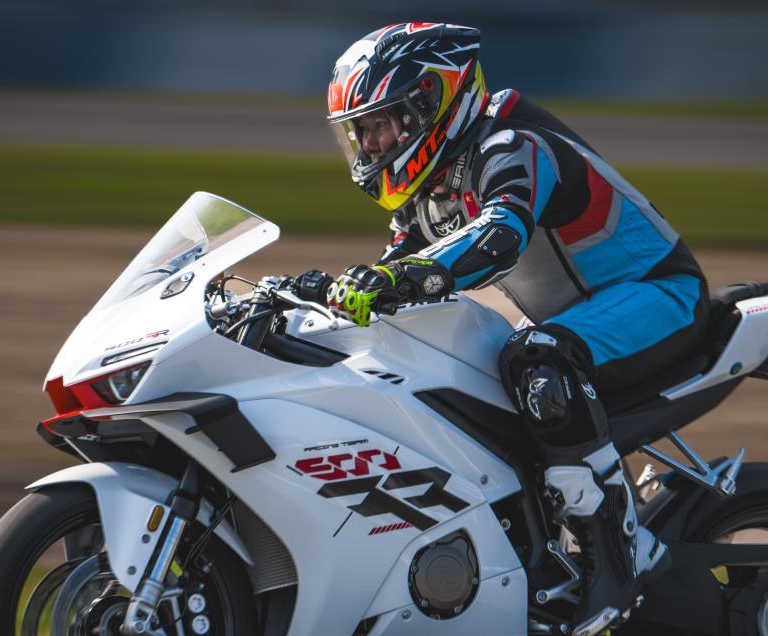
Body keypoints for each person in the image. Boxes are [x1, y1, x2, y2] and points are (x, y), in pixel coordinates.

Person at [293, 22, 709, 635]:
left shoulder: (511, 143)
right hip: (581, 315)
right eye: (360, 133)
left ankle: (620, 553)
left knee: (536, 357)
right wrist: (318, 297)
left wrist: (396, 279)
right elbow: (394, 276)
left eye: (382, 125)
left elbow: (498, 235)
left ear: (432, 103)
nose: (371, 144)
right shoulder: (431, 190)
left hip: (660, 295)